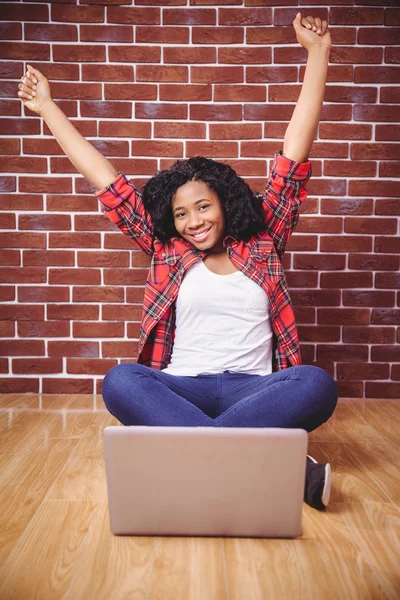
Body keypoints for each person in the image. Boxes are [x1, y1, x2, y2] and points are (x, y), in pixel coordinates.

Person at [18, 13, 337, 510]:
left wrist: (317, 55)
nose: (193, 222)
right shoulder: (168, 252)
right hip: (181, 391)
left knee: (316, 384)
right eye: (182, 214)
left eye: (203, 207)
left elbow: (292, 160)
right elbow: (108, 183)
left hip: (256, 393)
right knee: (122, 380)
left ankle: (185, 456)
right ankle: (279, 468)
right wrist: (48, 108)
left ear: (225, 203)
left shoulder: (263, 240)